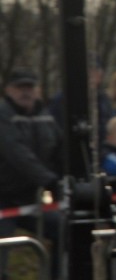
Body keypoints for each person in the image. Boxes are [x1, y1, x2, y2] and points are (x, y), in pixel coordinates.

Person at [0, 68, 62, 279]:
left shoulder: (46, 117)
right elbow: (17, 154)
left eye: (29, 87)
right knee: (2, 247)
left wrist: (64, 179)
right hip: (3, 198)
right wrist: (49, 180)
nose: (25, 92)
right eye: (20, 87)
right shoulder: (3, 115)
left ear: (38, 90)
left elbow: (60, 149)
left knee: (64, 229)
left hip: (31, 199)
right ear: (8, 90)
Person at [49, 53, 114, 146]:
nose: (90, 74)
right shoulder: (62, 99)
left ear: (100, 76)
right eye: (87, 70)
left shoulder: (104, 100)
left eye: (94, 70)